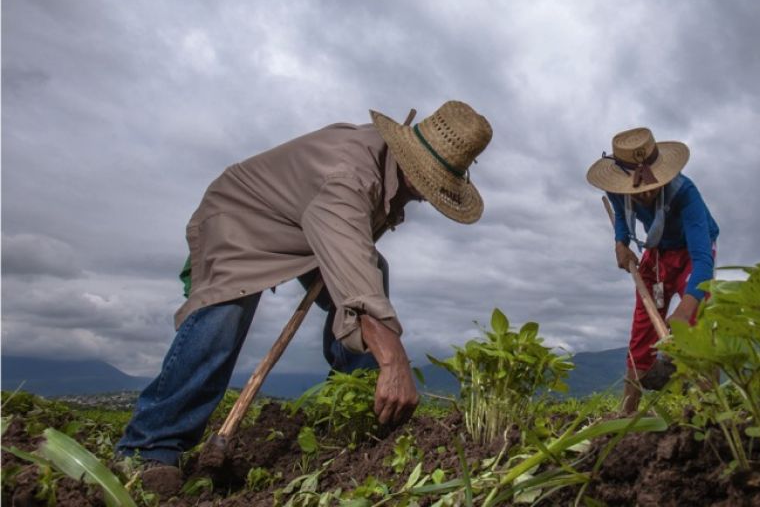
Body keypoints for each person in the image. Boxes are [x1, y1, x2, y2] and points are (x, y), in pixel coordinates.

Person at [115, 100, 493, 481]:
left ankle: (356, 412)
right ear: (412, 167)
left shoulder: (382, 172)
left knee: (373, 271)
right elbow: (354, 275)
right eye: (429, 184)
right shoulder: (350, 174)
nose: (428, 196)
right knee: (225, 309)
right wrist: (393, 359)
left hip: (303, 225)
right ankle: (150, 447)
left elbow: (354, 257)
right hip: (240, 217)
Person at [586, 127, 718, 413]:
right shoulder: (617, 188)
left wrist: (686, 307)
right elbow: (622, 215)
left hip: (692, 252)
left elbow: (703, 260)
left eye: (650, 189)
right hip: (657, 251)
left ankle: (713, 408)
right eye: (638, 191)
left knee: (698, 321)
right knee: (643, 325)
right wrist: (621, 242)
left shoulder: (686, 194)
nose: (644, 197)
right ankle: (628, 409)